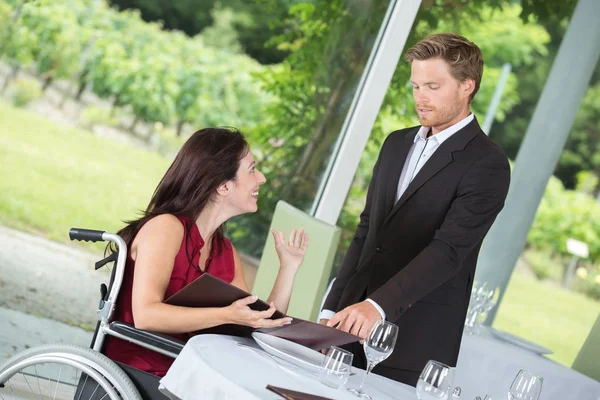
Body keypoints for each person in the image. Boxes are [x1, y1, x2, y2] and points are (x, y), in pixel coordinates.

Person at [318, 33, 511, 386]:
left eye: (433, 86)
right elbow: (367, 231)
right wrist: (331, 308)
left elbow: (448, 252)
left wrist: (376, 307)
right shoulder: (395, 143)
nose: (420, 97)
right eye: (416, 85)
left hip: (412, 339)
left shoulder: (489, 165)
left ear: (467, 86)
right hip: (346, 324)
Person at [104, 127, 309, 377]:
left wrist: (288, 268)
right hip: (140, 370)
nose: (262, 178)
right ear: (223, 186)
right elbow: (146, 315)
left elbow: (257, 325)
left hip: (187, 373)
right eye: (252, 169)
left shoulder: (225, 252)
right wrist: (225, 314)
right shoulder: (166, 228)